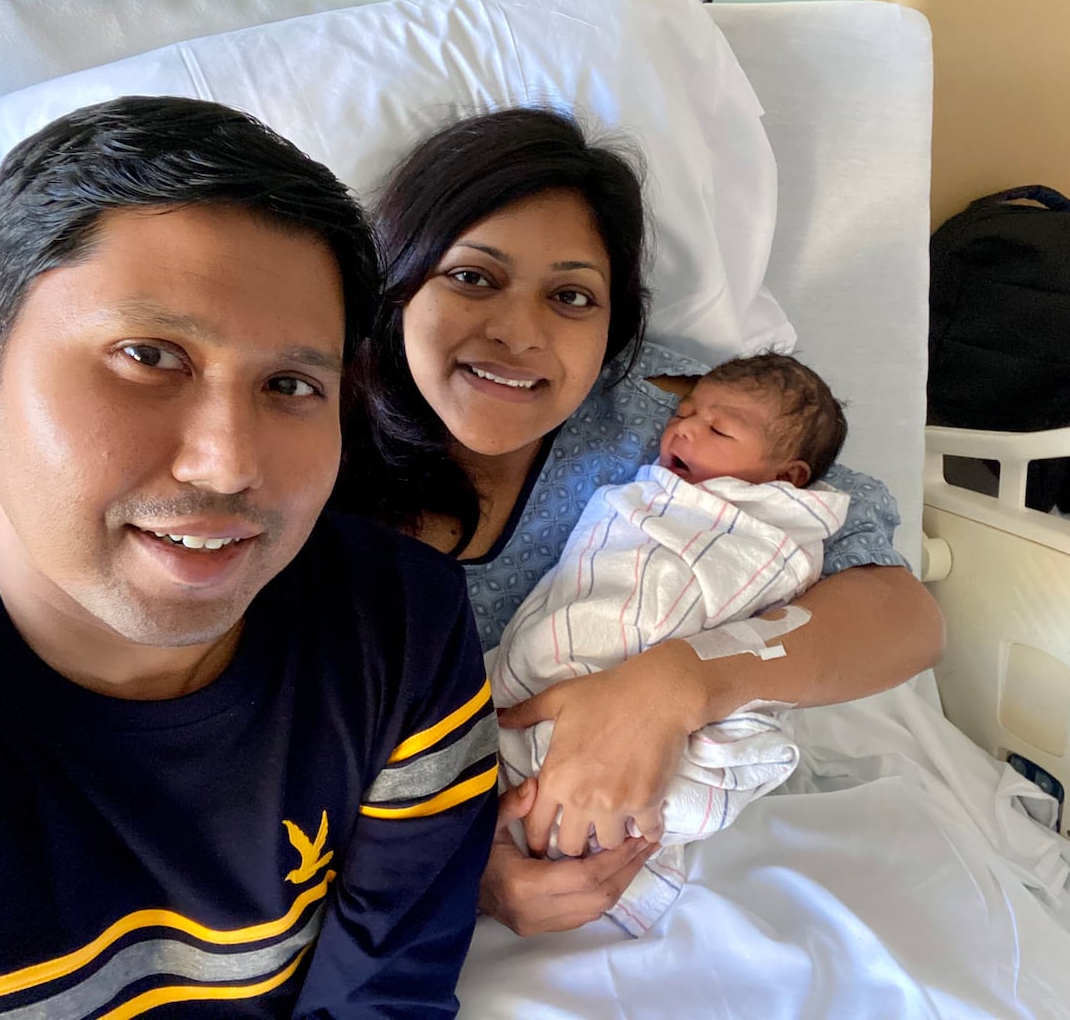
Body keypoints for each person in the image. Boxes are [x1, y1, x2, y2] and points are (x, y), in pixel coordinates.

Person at [0, 96, 497, 1018]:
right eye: (149, 355)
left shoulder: (400, 629)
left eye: (291, 385)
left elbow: (387, 990)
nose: (228, 462)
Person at [335, 106, 945, 936]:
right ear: (400, 278)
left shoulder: (673, 433)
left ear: (616, 321)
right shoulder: (311, 431)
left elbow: (902, 618)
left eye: (571, 296)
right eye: (474, 277)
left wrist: (679, 681)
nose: (520, 333)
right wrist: (464, 873)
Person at [492, 352, 851, 935]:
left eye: (718, 429)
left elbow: (773, 618)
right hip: (554, 675)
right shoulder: (646, 492)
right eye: (684, 414)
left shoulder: (761, 533)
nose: (682, 429)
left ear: (789, 479)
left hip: (668, 691)